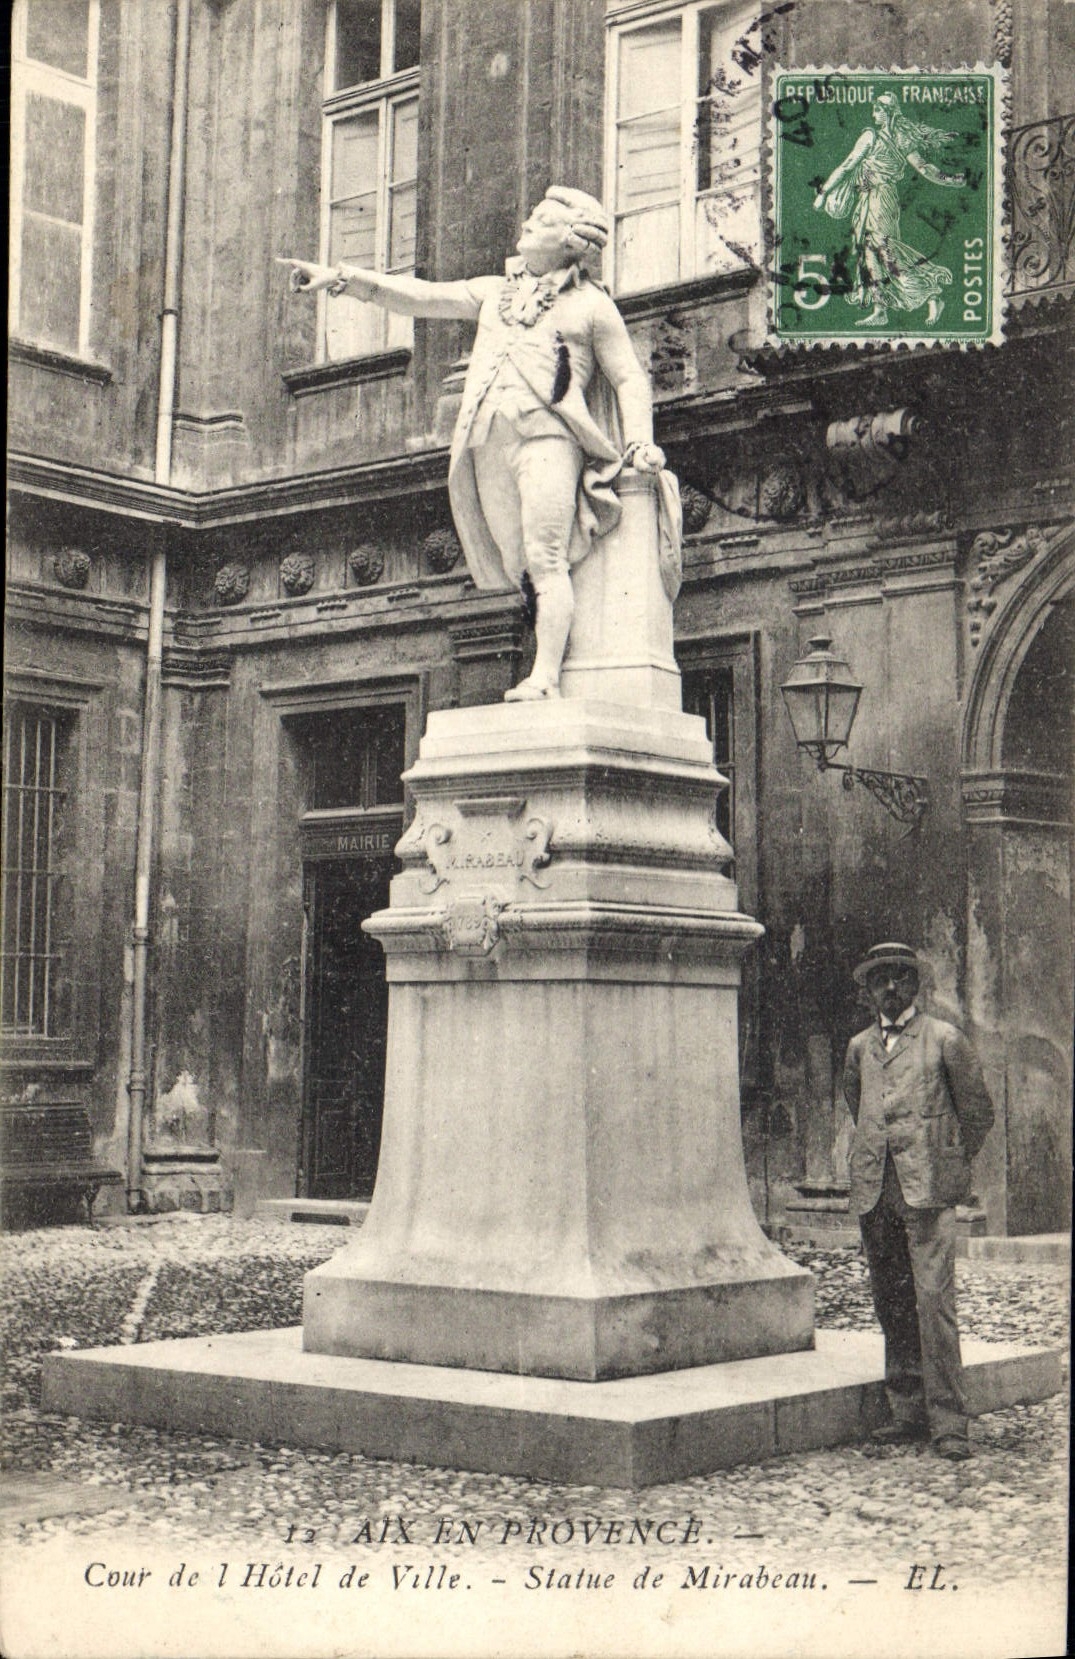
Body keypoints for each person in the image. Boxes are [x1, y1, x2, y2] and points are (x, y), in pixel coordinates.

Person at [282, 187, 668, 701]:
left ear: (571, 240)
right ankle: (553, 662)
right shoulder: (494, 291)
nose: (528, 222)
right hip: (488, 440)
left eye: (544, 219)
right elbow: (420, 296)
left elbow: (628, 378)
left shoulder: (593, 307)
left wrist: (640, 440)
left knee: (545, 556)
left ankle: (547, 677)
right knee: (518, 566)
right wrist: (343, 278)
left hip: (548, 438)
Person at [842, 941, 995, 1460]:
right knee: (891, 1301)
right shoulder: (859, 1047)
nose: (891, 988)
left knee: (934, 1305)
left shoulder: (944, 1039)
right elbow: (856, 1104)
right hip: (876, 1190)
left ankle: (950, 1422)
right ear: (867, 989)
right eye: (881, 979)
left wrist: (945, 1162)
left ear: (916, 985)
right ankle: (905, 1410)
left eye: (901, 978)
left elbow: (977, 1114)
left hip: (927, 1192)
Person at [813, 92, 968, 327]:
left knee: (884, 249)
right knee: (870, 253)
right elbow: (924, 168)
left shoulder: (873, 136)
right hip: (870, 199)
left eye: (877, 110)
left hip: (880, 198)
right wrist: (950, 179)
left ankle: (931, 292)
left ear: (887, 113)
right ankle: (880, 309)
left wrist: (824, 193)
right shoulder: (898, 137)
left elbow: (847, 166)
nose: (873, 114)